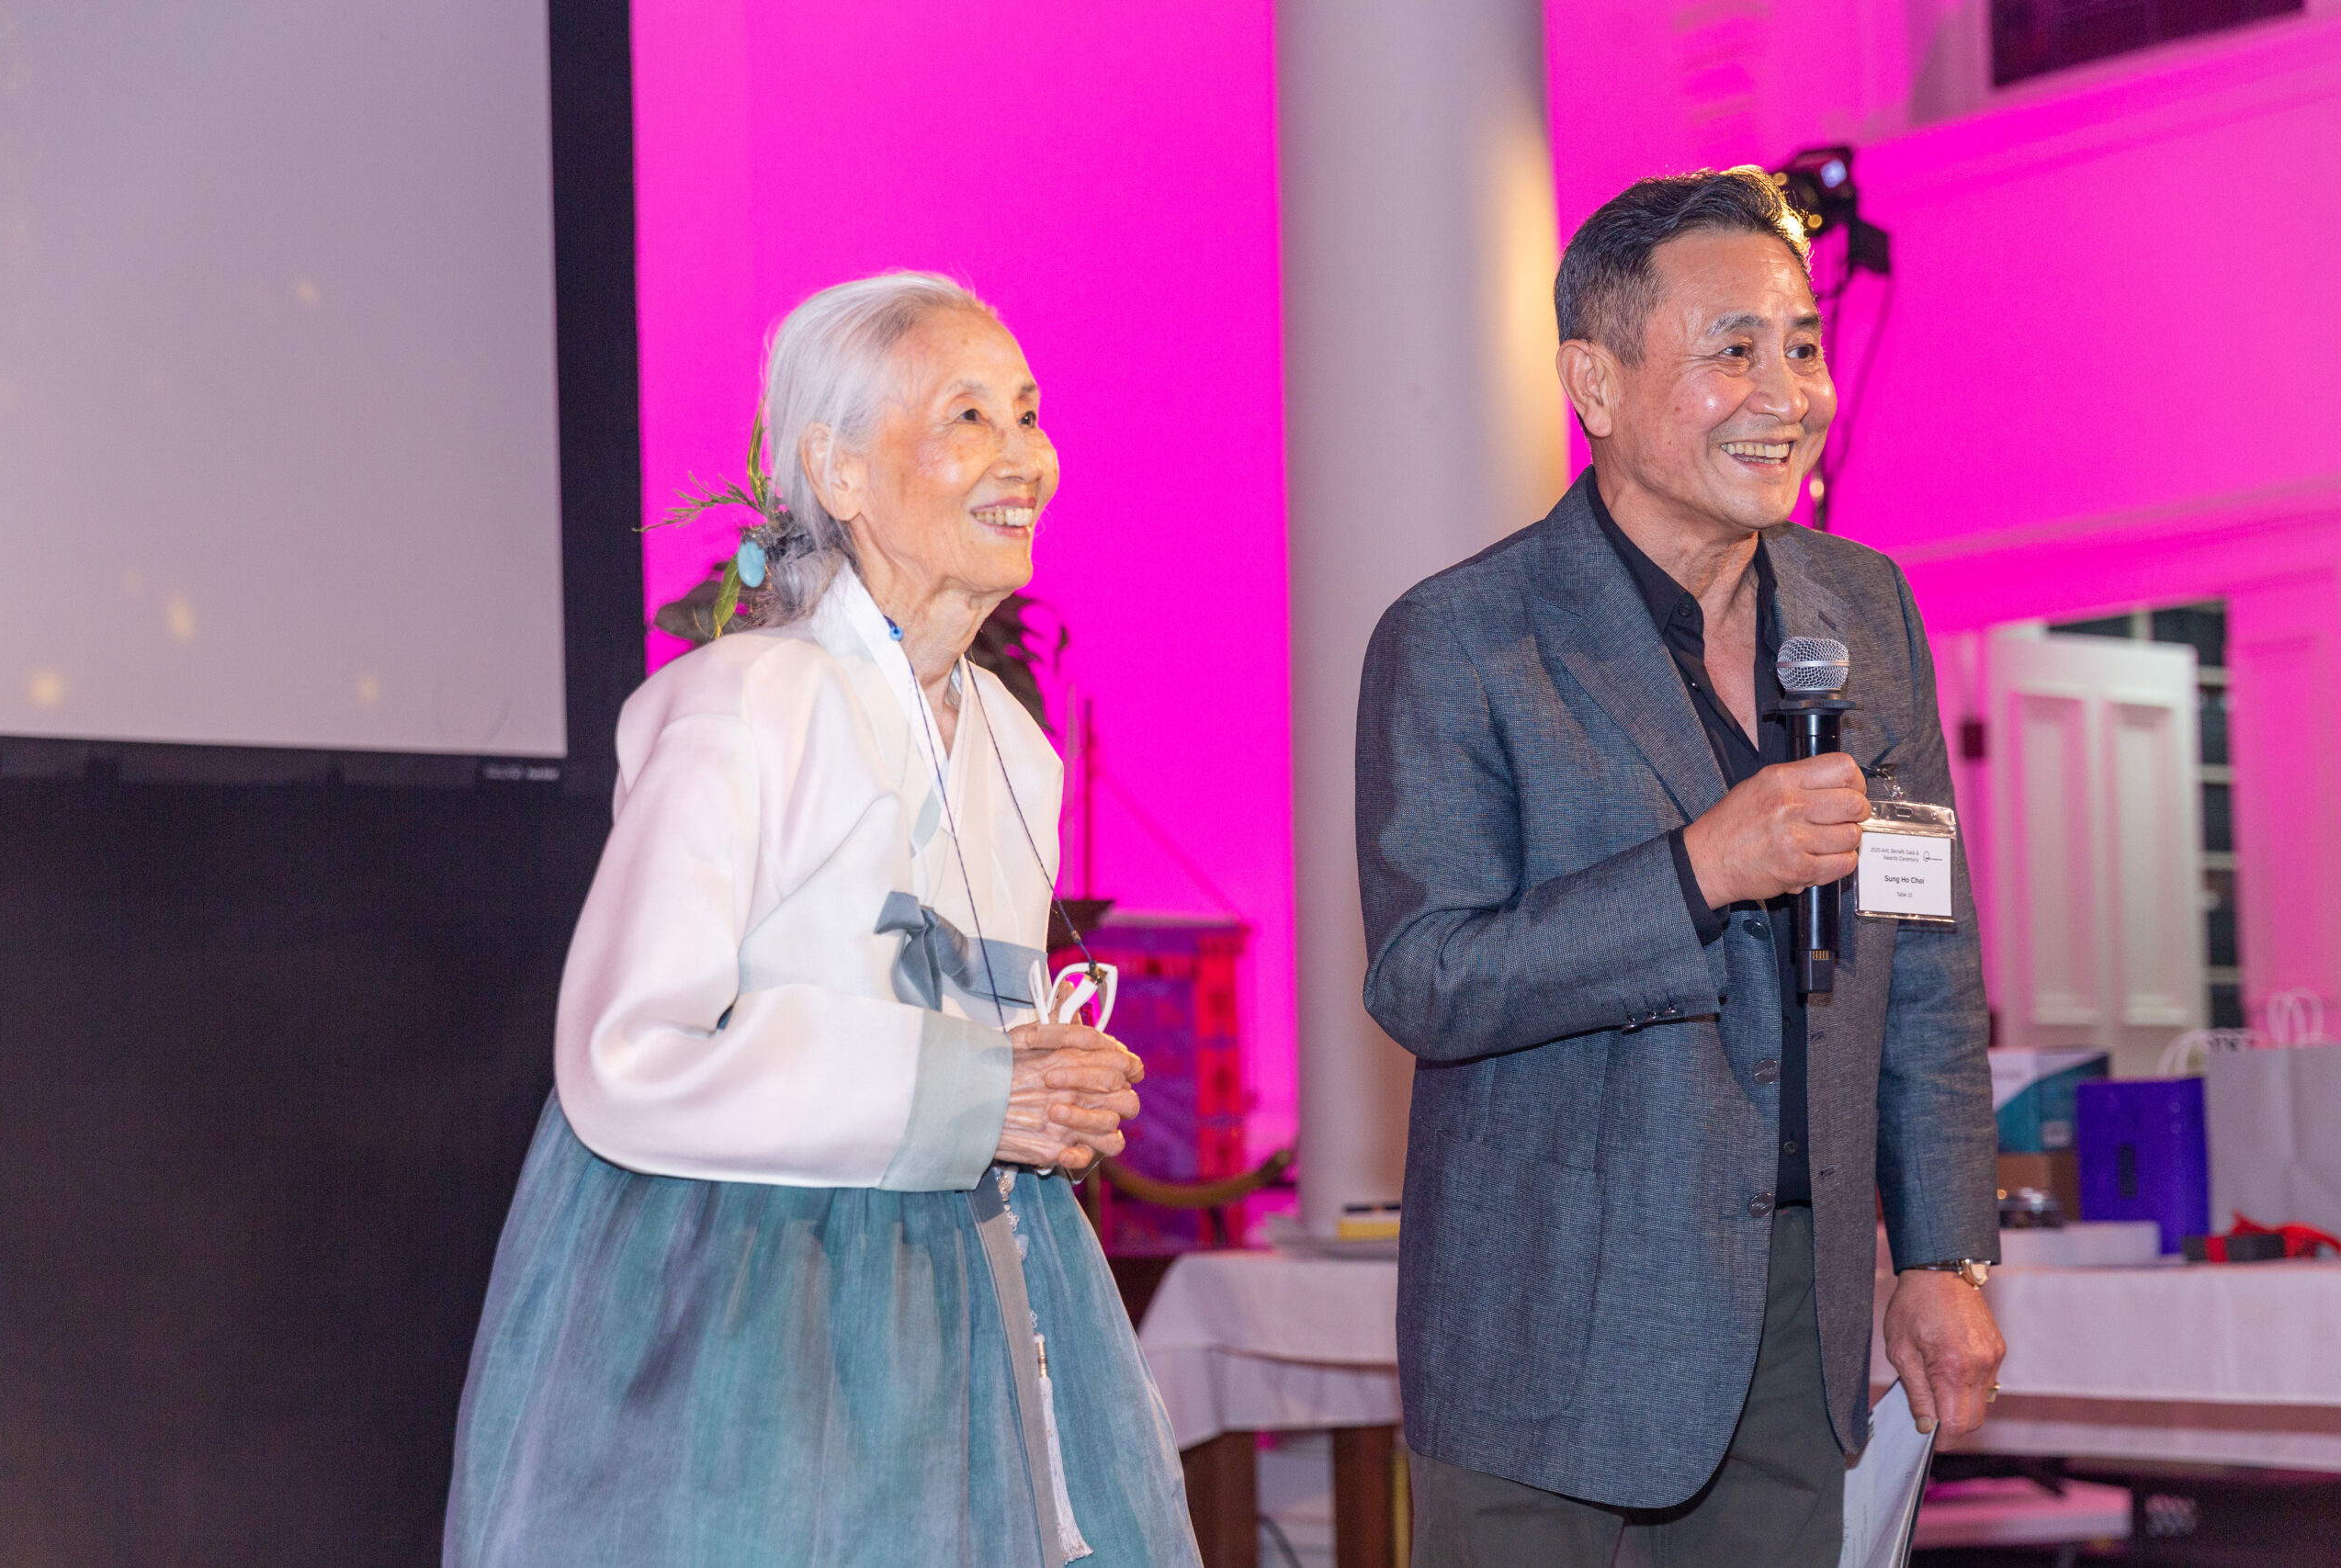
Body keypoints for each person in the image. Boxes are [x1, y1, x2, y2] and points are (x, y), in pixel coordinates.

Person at [444, 273, 1200, 1568]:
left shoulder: (1015, 749)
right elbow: (628, 1056)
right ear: (837, 471)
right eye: (969, 416)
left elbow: (983, 1043)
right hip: (754, 1311)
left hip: (979, 1306)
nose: (1023, 456)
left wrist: (1046, 1091)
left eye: (1027, 414)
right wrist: (970, 1091)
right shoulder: (745, 704)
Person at [1356, 170, 2007, 1563]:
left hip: (1797, 1322)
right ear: (1594, 383)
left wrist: (1943, 1253)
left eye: (1802, 347)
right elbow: (1428, 978)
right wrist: (1696, 872)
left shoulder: (1864, 609)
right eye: (1733, 349)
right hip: (1546, 1333)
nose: (1787, 394)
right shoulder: (1463, 637)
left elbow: (1926, 964)